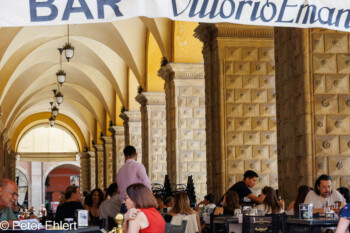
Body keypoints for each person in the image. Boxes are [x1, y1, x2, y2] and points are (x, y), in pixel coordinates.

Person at [116, 146, 151, 213]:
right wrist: (150, 198)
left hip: (124, 205)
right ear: (136, 155)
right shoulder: (138, 166)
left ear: (124, 156)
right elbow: (146, 181)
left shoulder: (120, 171)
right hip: (136, 204)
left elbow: (119, 188)